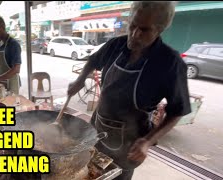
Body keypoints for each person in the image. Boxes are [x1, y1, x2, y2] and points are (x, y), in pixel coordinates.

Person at [67, 2, 191, 180]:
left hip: (129, 142)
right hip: (98, 127)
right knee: (88, 171)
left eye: (144, 30)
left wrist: (148, 141)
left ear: (160, 30)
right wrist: (80, 80)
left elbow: (177, 111)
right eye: (132, 25)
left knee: (115, 176)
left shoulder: (170, 63)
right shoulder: (116, 45)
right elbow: (94, 60)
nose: (135, 34)